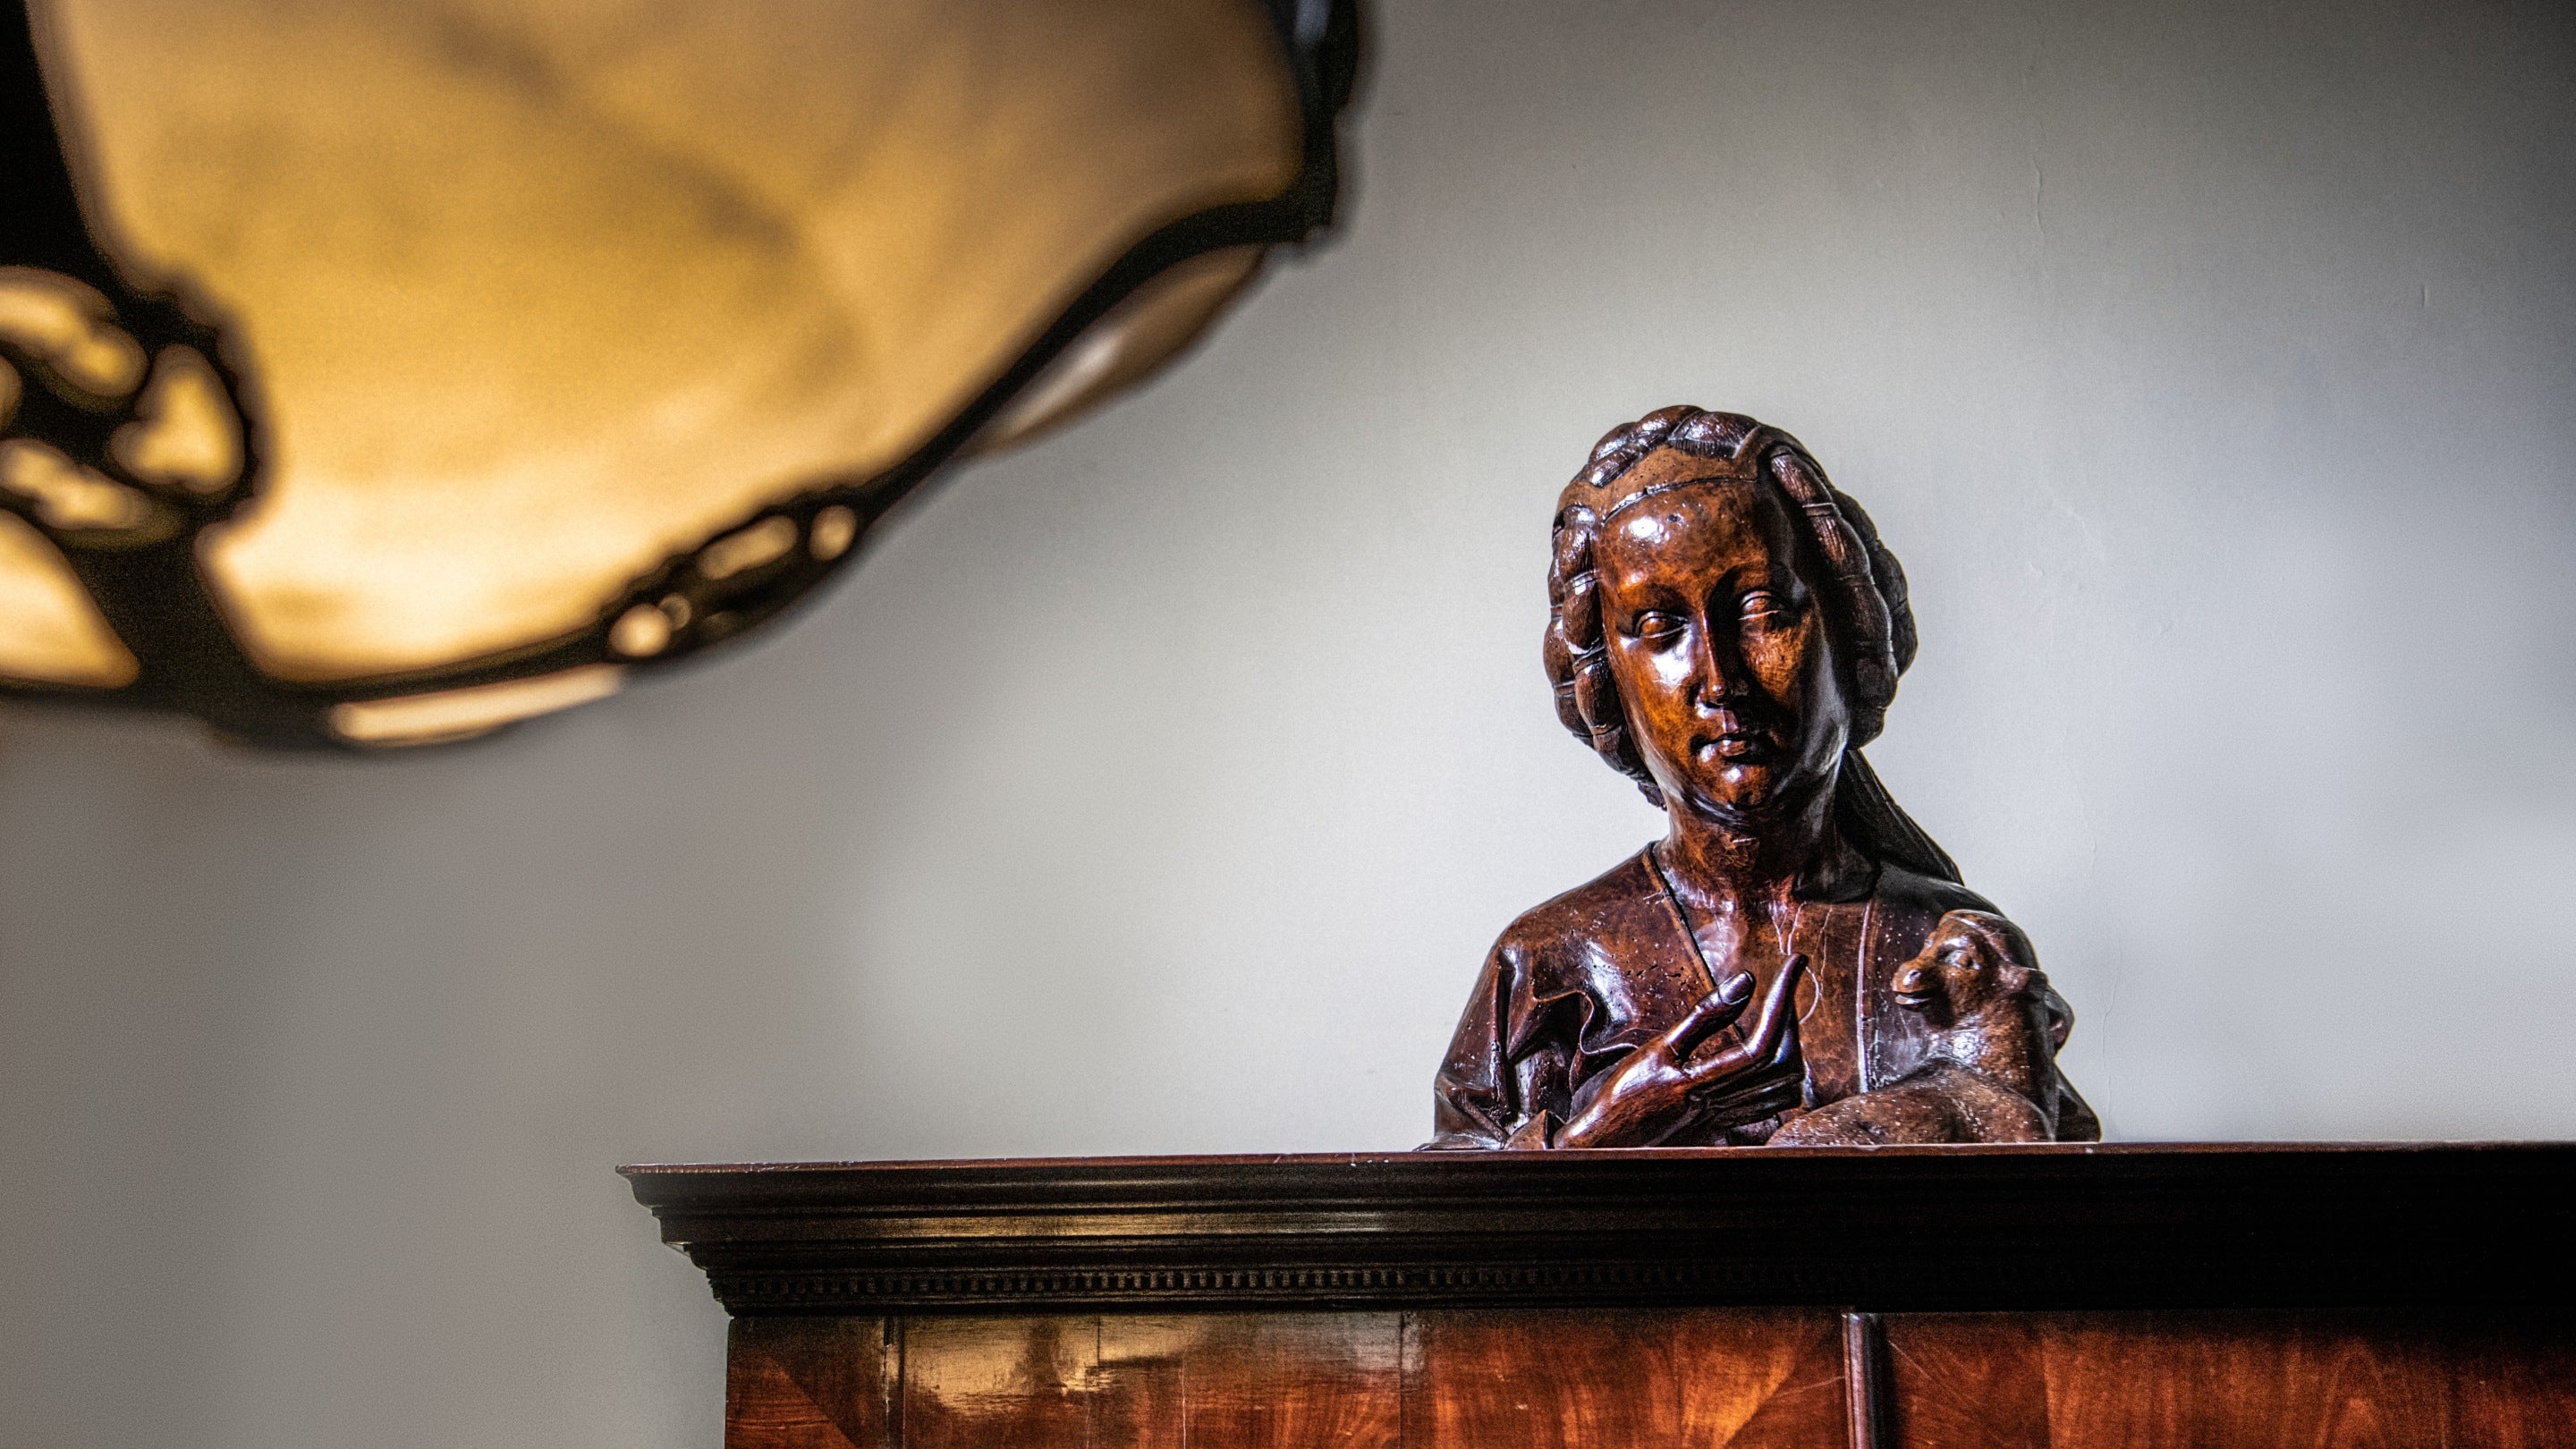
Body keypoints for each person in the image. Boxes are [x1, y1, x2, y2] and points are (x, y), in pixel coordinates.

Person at [1426, 407, 2096, 1148]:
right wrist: (1606, 1129)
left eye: (1760, 609)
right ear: (1607, 679)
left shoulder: (1947, 947)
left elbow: (2042, 1178)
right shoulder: (1548, 966)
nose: (1720, 679)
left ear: (1848, 633)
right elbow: (1454, 1207)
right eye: (1659, 627)